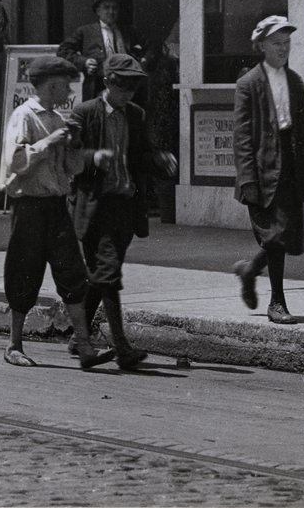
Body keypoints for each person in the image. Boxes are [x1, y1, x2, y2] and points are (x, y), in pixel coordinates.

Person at [0, 55, 115, 369]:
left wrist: (89, 155)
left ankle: (85, 347)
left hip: (55, 206)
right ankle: (14, 345)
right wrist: (49, 142)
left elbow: (69, 166)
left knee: (72, 272)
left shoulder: (57, 119)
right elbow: (16, 162)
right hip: (29, 207)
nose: (68, 92)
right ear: (51, 85)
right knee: (24, 272)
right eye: (65, 85)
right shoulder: (24, 116)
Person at [66, 53, 177, 369]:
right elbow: (69, 156)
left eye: (132, 87)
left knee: (102, 274)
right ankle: (122, 347)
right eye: (122, 86)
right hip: (94, 206)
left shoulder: (136, 114)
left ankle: (79, 337)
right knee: (108, 271)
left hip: (126, 205)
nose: (128, 93)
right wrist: (92, 157)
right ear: (107, 83)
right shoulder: (85, 113)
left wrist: (159, 159)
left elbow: (141, 154)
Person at [231, 16, 304, 325]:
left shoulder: (295, 81)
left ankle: (249, 270)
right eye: (276, 43)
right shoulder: (248, 84)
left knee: (286, 236)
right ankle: (277, 302)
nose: (283, 49)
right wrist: (247, 178)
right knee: (276, 235)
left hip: (290, 162)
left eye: (287, 43)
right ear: (261, 46)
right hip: (262, 165)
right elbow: (242, 135)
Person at [58, 0, 139, 101]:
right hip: (97, 87)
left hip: (125, 88)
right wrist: (84, 62)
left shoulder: (128, 32)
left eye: (115, 8)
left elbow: (151, 47)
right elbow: (63, 50)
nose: (111, 12)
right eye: (106, 8)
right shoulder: (86, 31)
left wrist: (143, 62)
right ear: (98, 11)